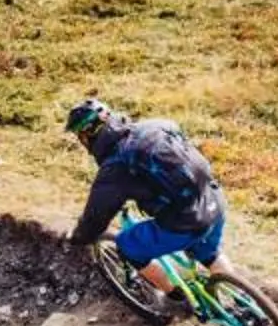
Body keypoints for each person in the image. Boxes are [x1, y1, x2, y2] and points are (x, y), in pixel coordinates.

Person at [63, 96, 226, 311]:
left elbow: (95, 217)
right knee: (210, 253)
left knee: (128, 247)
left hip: (184, 223)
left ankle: (175, 298)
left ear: (87, 135)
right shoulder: (157, 125)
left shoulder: (115, 166)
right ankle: (240, 302)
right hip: (213, 200)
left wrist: (79, 238)